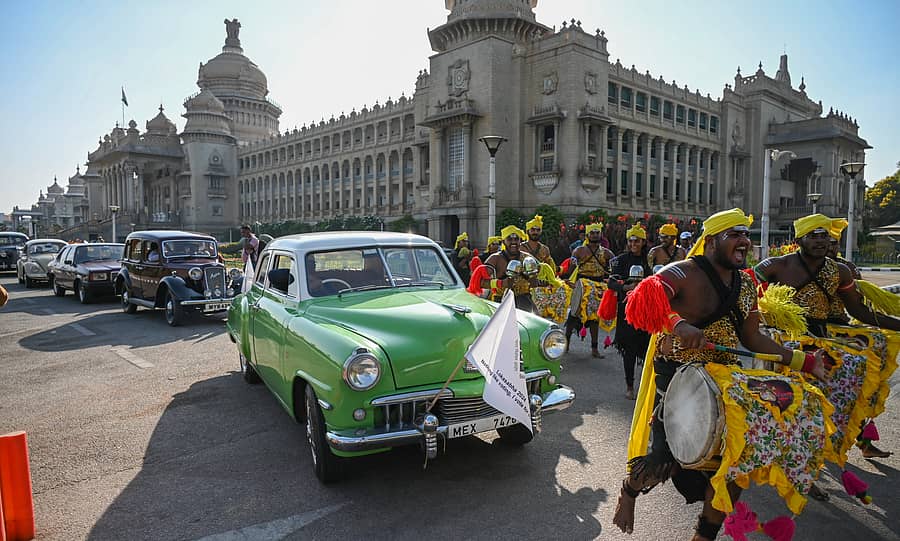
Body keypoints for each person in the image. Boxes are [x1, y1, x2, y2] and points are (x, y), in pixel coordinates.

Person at [613, 208, 826, 541]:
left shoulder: (747, 284)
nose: (744, 242)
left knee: (735, 461)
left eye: (746, 235)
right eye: (734, 235)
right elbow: (643, 298)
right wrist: (678, 325)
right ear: (711, 241)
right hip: (679, 374)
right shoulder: (681, 271)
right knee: (664, 460)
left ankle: (704, 536)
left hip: (727, 377)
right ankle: (629, 491)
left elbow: (753, 337)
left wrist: (803, 361)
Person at [754, 214, 900, 463]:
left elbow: (859, 311)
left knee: (861, 366)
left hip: (822, 340)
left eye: (825, 236)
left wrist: (897, 324)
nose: (821, 241)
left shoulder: (841, 271)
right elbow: (743, 291)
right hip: (784, 342)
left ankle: (833, 447)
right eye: (814, 236)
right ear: (799, 239)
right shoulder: (775, 266)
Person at [608, 224, 651, 399]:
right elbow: (611, 283)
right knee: (629, 349)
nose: (633, 244)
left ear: (643, 242)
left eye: (637, 241)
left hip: (647, 310)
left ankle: (647, 387)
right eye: (631, 241)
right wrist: (627, 287)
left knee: (648, 348)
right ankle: (630, 386)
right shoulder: (621, 260)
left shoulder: (650, 260)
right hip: (627, 310)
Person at [566, 223, 615, 357]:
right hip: (582, 286)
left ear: (601, 235)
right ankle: (566, 343)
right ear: (587, 235)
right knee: (573, 316)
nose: (594, 235)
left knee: (594, 319)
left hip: (598, 287)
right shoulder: (579, 251)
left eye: (597, 233)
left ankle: (594, 348)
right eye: (592, 233)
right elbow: (571, 269)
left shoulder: (607, 253)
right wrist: (568, 281)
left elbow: (615, 269)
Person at [481, 225, 537, 311]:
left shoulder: (527, 258)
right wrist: (501, 283)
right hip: (500, 302)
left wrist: (533, 278)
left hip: (524, 302)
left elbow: (535, 283)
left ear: (520, 241)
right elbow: (481, 282)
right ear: (503, 241)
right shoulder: (495, 258)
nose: (513, 242)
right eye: (509, 239)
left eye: (516, 239)